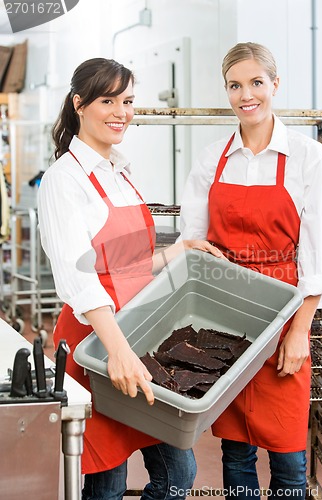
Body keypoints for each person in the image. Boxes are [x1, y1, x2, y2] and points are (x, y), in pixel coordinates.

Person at [37, 57, 222, 500]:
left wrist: (177, 252)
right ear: (79, 104)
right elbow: (78, 276)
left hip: (139, 337)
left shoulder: (120, 171)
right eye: (108, 100)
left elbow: (121, 262)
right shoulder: (64, 181)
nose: (121, 111)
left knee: (179, 471)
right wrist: (117, 352)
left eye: (128, 101)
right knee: (108, 478)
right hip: (97, 345)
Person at [179, 42, 322, 499]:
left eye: (255, 83)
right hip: (226, 312)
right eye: (234, 85)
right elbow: (196, 242)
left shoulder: (306, 156)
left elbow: (318, 258)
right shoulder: (213, 158)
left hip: (285, 310)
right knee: (236, 448)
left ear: (274, 85)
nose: (245, 95)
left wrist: (298, 332)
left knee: (289, 452)